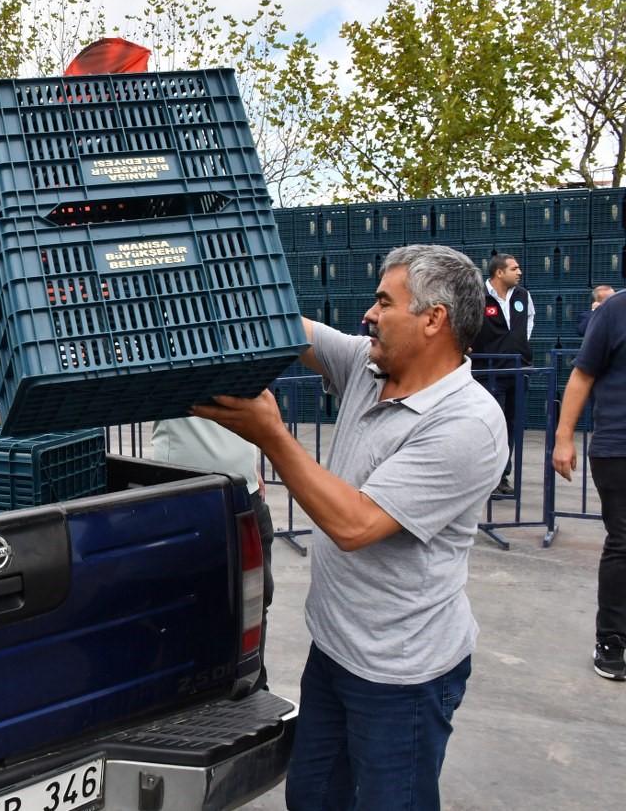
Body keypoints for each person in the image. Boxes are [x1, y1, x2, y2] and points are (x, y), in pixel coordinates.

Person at [192, 244, 506, 810]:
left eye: (384, 302)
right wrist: (200, 263)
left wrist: (272, 436)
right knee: (312, 797)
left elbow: (355, 524)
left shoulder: (468, 424)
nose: (368, 314)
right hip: (336, 650)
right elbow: (291, 326)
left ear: (433, 320)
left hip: (403, 676)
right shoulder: (369, 364)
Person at [151, 416, 274, 683]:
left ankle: (251, 684)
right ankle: (190, 690)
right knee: (188, 604)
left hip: (244, 488)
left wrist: (248, 464)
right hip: (184, 492)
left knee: (255, 600)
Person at [552, 289, 626, 682]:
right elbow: (582, 374)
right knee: (623, 543)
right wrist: (564, 437)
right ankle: (612, 639)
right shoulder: (615, 310)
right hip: (619, 449)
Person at [469, 252, 533, 496]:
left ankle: (501, 477)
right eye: (514, 268)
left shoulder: (523, 295)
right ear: (499, 272)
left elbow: (528, 322)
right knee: (488, 426)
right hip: (488, 371)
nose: (519, 272)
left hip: (517, 369)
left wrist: (516, 347)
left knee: (511, 425)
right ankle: (483, 478)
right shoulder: (478, 297)